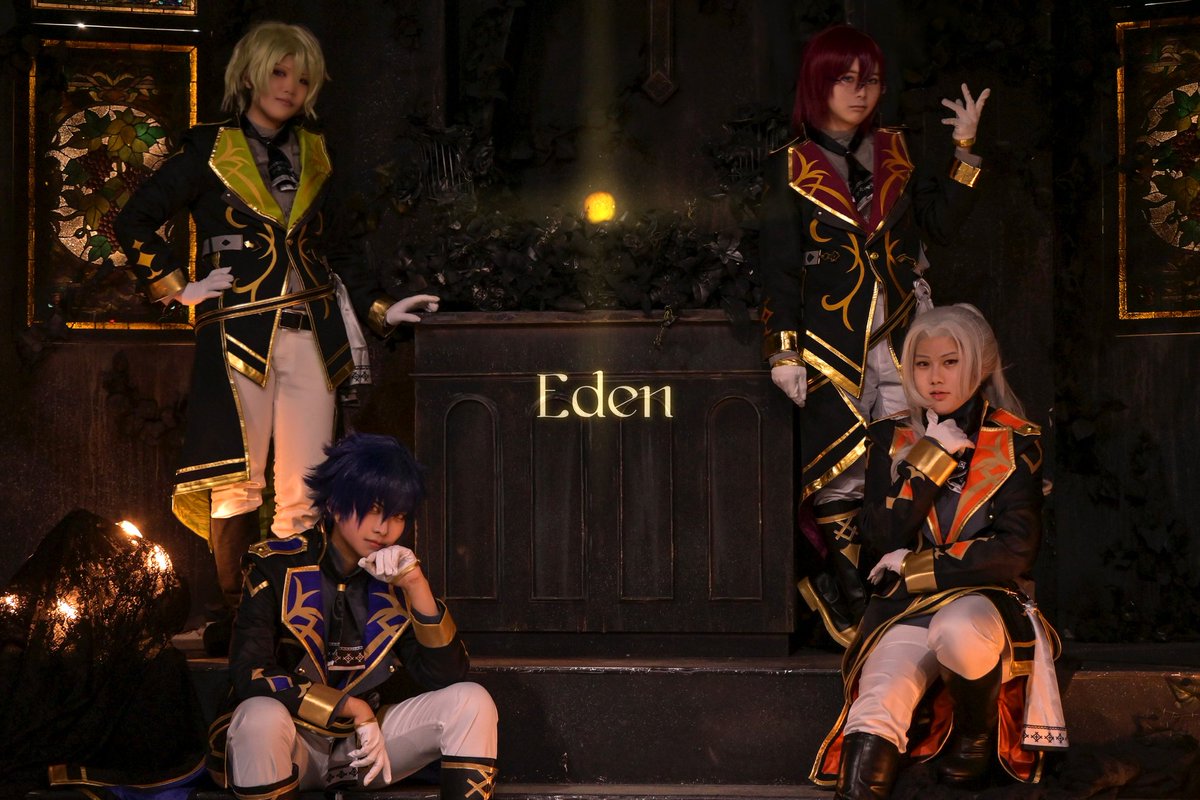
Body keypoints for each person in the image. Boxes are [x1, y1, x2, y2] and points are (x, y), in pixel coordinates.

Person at [113, 21, 439, 653]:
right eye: (280, 72)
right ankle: (243, 619)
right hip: (238, 332)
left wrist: (380, 307)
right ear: (251, 75)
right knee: (236, 479)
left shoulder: (318, 153)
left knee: (307, 486)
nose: (290, 87)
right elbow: (135, 219)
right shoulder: (209, 149)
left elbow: (341, 248)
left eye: (303, 78)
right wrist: (180, 287)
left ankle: (298, 620)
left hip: (312, 334)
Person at [759, 24, 991, 646]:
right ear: (818, 84)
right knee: (839, 466)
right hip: (829, 342)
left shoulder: (898, 151)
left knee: (907, 456)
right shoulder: (789, 167)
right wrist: (783, 350)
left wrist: (966, 152)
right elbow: (778, 269)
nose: (860, 93)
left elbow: (939, 225)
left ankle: (890, 578)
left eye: (870, 81)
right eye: (845, 79)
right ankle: (847, 584)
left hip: (904, 331)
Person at [809, 305, 1066, 798]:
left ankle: (975, 737)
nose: (934, 378)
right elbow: (880, 537)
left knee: (956, 628)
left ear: (981, 365)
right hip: (906, 607)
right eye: (922, 364)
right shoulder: (889, 436)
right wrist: (931, 457)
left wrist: (915, 565)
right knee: (878, 698)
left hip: (984, 601)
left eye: (950, 362)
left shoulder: (1017, 441)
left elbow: (1015, 551)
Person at [207, 432, 499, 800]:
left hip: (366, 750)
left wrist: (416, 584)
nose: (383, 528)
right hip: (293, 742)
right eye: (373, 509)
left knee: (472, 701)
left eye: (397, 516)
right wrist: (351, 708)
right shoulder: (276, 564)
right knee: (259, 716)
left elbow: (447, 676)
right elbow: (251, 673)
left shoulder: (395, 575)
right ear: (334, 503)